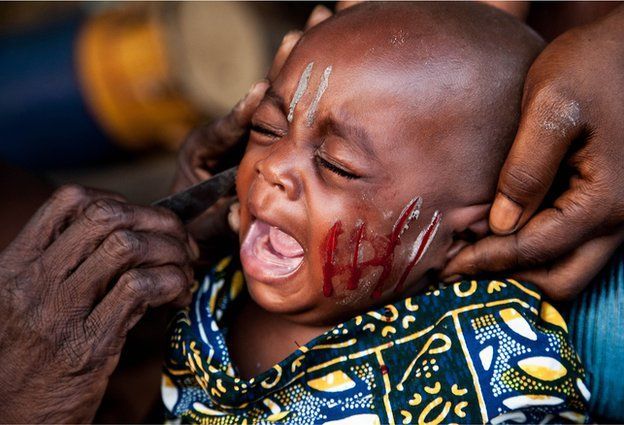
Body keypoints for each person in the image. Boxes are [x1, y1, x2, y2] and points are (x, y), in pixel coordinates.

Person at [162, 3, 589, 423]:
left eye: (336, 165)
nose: (271, 167)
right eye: (267, 128)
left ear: (460, 237)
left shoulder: (491, 361)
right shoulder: (209, 283)